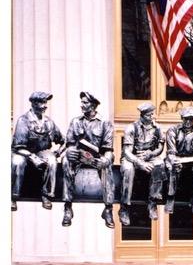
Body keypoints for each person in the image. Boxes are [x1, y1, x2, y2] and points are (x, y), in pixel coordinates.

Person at [61, 91, 115, 228]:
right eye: (82, 102)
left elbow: (108, 149)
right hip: (79, 157)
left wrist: (106, 160)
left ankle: (108, 209)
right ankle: (67, 207)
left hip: (98, 157)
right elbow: (70, 143)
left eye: (85, 102)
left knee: (107, 166)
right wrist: (69, 151)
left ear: (93, 105)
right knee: (66, 161)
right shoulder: (75, 122)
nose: (82, 105)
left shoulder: (104, 123)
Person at [11, 91, 65, 211]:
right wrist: (33, 157)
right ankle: (13, 197)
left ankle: (47, 195)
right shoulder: (23, 121)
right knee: (17, 162)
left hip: (41, 151)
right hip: (23, 152)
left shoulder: (49, 122)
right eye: (42, 102)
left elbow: (64, 140)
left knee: (51, 160)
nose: (45, 105)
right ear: (34, 104)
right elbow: (18, 146)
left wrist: (58, 152)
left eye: (45, 102)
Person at [119, 102, 166, 226]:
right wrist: (140, 162)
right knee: (128, 170)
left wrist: (151, 154)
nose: (152, 118)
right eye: (149, 115)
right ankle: (124, 207)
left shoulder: (157, 128)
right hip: (132, 158)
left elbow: (160, 147)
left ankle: (152, 202)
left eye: (152, 115)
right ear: (142, 115)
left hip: (149, 156)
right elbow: (127, 152)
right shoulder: (131, 128)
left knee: (160, 164)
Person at [164, 107, 193, 215]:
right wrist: (174, 160)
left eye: (191, 119)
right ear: (181, 118)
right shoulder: (173, 130)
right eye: (186, 119)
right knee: (171, 167)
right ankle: (170, 198)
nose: (188, 122)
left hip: (191, 160)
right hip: (175, 158)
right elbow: (171, 151)